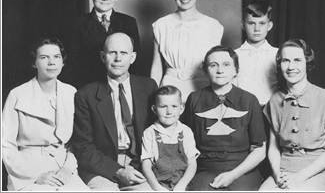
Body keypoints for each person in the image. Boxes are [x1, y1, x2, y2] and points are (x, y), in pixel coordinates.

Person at [71, 32, 157, 191]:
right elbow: (83, 147)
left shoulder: (148, 87)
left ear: (133, 57)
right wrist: (118, 171)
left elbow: (156, 135)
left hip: (139, 165)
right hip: (101, 168)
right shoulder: (86, 95)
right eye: (112, 53)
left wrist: (136, 167)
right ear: (103, 57)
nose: (118, 59)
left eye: (124, 53)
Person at [2, 37, 90, 191]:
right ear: (34, 62)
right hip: (27, 171)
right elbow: (5, 145)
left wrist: (67, 168)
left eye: (57, 57)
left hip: (63, 169)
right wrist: (36, 175)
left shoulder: (71, 93)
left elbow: (77, 141)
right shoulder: (17, 95)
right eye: (44, 57)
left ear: (63, 61)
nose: (51, 62)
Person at [259, 39, 325, 191]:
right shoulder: (274, 101)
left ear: (307, 63)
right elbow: (273, 148)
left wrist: (300, 177)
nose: (291, 67)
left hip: (316, 172)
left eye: (297, 60)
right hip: (283, 171)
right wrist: (277, 173)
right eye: (286, 60)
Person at [182, 45, 267, 191]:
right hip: (203, 169)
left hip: (241, 170)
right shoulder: (194, 99)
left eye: (226, 65)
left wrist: (233, 175)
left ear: (236, 70)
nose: (220, 70)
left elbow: (260, 150)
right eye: (213, 65)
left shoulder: (249, 100)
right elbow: (185, 142)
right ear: (206, 70)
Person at [150, 0, 224, 103]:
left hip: (204, 88)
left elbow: (216, 65)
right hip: (170, 91)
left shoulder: (213, 26)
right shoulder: (161, 25)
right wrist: (154, 96)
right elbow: (156, 67)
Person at [65, 0, 140, 88]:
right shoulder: (77, 24)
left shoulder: (128, 22)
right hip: (88, 85)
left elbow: (135, 61)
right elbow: (71, 63)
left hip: (121, 85)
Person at [141, 85, 200, 191]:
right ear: (154, 109)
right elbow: (146, 165)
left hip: (183, 183)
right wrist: (157, 188)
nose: (169, 111)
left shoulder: (185, 131)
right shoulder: (149, 133)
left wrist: (181, 186)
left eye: (174, 106)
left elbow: (192, 164)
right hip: (157, 184)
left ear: (181, 108)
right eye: (163, 106)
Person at [235, 0, 277, 106]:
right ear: (243, 25)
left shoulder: (277, 54)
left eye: (262, 23)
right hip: (243, 110)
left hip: (271, 111)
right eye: (251, 23)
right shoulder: (235, 55)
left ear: (270, 25)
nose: (257, 29)